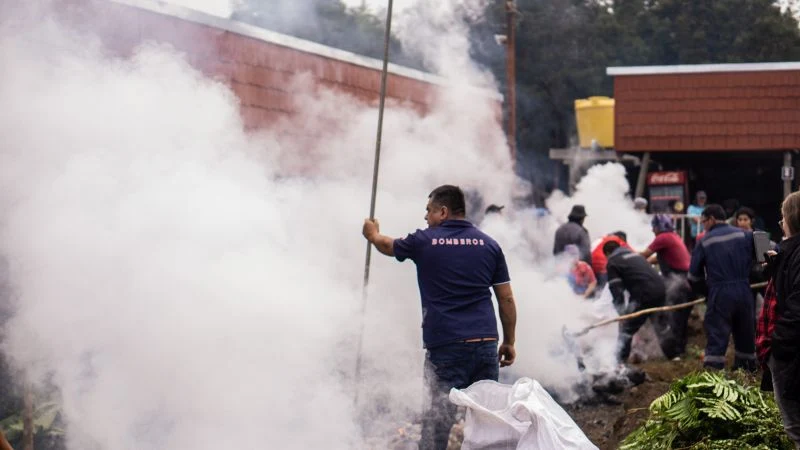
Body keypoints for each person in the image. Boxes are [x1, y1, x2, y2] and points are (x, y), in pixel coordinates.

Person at [362, 184, 517, 450]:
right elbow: (506, 299)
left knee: (437, 426)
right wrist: (509, 341)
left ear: (443, 212)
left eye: (428, 211)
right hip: (485, 344)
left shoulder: (425, 241)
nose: (425, 217)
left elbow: (388, 246)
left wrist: (373, 235)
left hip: (447, 346)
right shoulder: (489, 245)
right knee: (487, 424)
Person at [688, 204, 757, 371]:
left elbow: (693, 277)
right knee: (746, 334)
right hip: (744, 291)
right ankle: (746, 373)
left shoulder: (705, 241)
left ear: (711, 219)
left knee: (717, 335)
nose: (703, 225)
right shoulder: (745, 235)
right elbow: (768, 251)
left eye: (704, 221)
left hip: (720, 293)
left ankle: (714, 377)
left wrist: (707, 292)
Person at [757, 192, 800, 448]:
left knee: (796, 425)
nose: (781, 223)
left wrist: (779, 345)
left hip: (790, 352)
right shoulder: (790, 253)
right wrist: (775, 266)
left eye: (783, 217)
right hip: (787, 351)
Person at [640, 214, 693, 359]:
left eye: (654, 227)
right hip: (686, 281)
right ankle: (680, 350)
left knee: (674, 317)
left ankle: (675, 353)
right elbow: (658, 257)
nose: (652, 230)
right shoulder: (673, 236)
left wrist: (628, 257)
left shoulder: (662, 238)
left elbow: (644, 255)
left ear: (659, 227)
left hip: (679, 282)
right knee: (681, 318)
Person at [604, 240, 667, 362]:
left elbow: (616, 289)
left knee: (626, 328)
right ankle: (673, 354)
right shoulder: (634, 254)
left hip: (644, 293)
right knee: (660, 325)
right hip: (661, 289)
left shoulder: (612, 261)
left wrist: (622, 312)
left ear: (607, 254)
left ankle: (619, 361)